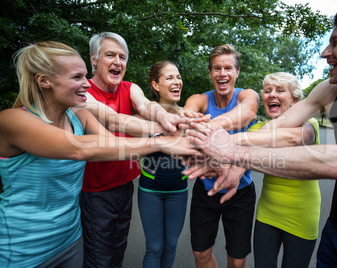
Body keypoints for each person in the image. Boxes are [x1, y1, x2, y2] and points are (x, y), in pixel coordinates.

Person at [186, 1, 337, 267]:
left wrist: (231, 151)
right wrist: (225, 145)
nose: (325, 53)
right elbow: (275, 129)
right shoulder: (332, 89)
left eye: (336, 43)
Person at [0, 41, 197, 267]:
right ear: (44, 81)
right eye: (77, 77)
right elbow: (80, 148)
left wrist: (176, 127)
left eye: (85, 76)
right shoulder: (12, 120)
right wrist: (164, 143)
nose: (86, 84)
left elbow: (113, 142)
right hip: (23, 250)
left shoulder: (78, 116)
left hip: (69, 240)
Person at [79, 32, 191, 268]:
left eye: (122, 56)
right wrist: (169, 132)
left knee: (118, 250)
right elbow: (114, 120)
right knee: (99, 258)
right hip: (95, 190)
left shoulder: (129, 88)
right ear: (94, 59)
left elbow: (147, 106)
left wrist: (166, 117)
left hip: (124, 186)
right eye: (110, 55)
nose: (118, 61)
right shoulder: (82, 92)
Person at [182, 44, 259, 268]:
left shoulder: (246, 95)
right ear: (210, 73)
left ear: (237, 72)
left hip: (241, 191)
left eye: (228, 68)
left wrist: (211, 129)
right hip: (206, 191)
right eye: (216, 69)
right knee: (200, 254)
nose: (222, 73)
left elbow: (248, 112)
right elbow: (187, 116)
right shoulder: (200, 100)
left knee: (236, 261)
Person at [246, 72, 321, 268]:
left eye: (280, 90)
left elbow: (294, 138)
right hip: (267, 213)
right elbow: (243, 151)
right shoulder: (257, 129)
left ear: (294, 100)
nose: (272, 94)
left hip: (302, 215)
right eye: (267, 90)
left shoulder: (309, 125)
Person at [137, 61, 189, 268]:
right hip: (150, 190)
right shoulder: (143, 114)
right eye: (169, 77)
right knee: (155, 247)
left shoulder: (186, 114)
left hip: (179, 190)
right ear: (155, 85)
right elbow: (130, 144)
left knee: (171, 245)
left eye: (178, 77)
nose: (177, 81)